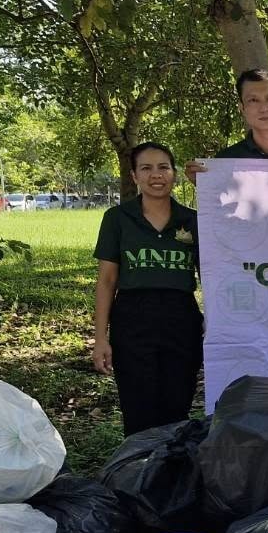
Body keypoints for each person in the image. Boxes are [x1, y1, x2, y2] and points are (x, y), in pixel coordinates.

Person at [93, 142, 203, 436]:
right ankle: (138, 464)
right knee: (138, 409)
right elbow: (106, 280)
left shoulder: (194, 220)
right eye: (146, 168)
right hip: (132, 320)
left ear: (174, 173)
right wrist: (100, 338)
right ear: (134, 176)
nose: (156, 175)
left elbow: (212, 275)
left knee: (176, 408)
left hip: (182, 320)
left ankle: (171, 463)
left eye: (164, 167)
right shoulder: (117, 218)